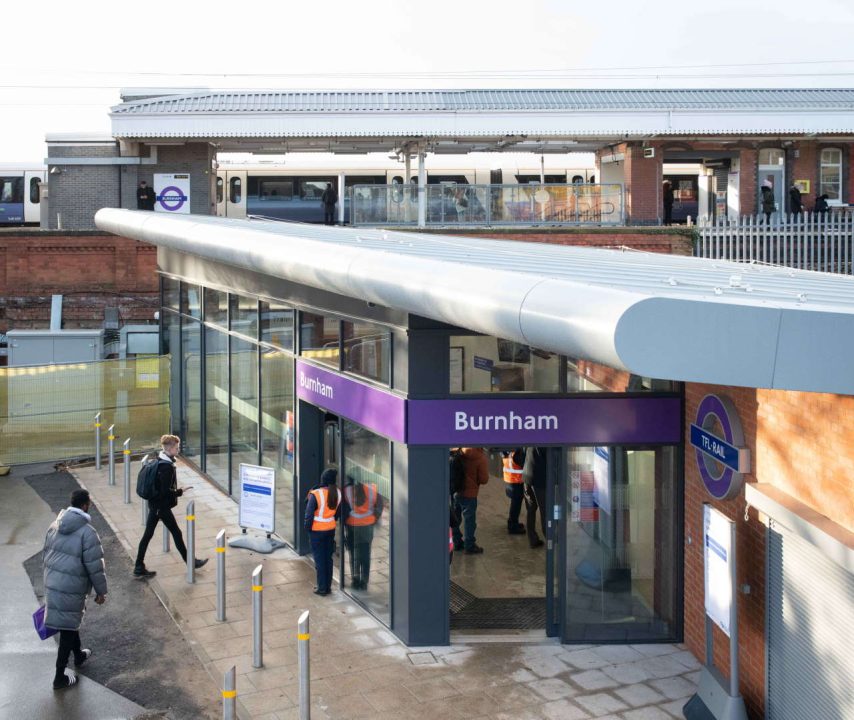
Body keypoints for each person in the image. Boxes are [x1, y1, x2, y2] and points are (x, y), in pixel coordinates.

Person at [43, 488, 107, 690]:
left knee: (69, 621)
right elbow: (95, 565)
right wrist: (101, 591)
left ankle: (78, 655)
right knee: (68, 630)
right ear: (85, 505)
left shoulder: (54, 525)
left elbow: (45, 554)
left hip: (53, 582)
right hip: (71, 586)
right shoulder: (88, 533)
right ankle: (59, 677)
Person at [134, 435, 208, 578]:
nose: (178, 450)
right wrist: (180, 491)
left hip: (155, 506)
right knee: (175, 533)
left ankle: (138, 566)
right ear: (169, 448)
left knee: (148, 535)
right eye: (176, 448)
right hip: (160, 507)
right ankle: (191, 562)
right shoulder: (166, 467)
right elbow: (164, 492)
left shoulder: (159, 460)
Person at [342, 474, 383, 590]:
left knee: (354, 554)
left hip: (352, 526)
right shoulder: (372, 489)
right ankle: (364, 581)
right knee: (366, 554)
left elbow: (343, 511)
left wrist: (344, 524)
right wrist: (373, 519)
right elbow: (379, 506)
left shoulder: (346, 490)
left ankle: (355, 579)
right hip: (367, 526)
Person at [305, 468, 341, 595]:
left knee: (320, 560)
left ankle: (322, 588)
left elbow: (309, 515)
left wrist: (307, 528)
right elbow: (337, 514)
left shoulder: (316, 494)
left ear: (323, 480)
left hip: (317, 532)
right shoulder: (338, 493)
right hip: (330, 530)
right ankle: (328, 587)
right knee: (328, 559)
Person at [451, 447, 489, 554]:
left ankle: (456, 542)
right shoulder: (480, 457)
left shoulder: (459, 451)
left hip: (456, 490)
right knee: (469, 520)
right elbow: (484, 479)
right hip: (470, 493)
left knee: (455, 518)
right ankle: (469, 545)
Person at [523, 447, 548, 549]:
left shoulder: (530, 436)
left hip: (527, 477)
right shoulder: (546, 442)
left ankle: (533, 539)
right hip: (539, 479)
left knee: (531, 509)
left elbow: (519, 454)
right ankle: (549, 538)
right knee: (545, 510)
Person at [501, 448, 526, 535]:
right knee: (516, 505)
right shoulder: (517, 453)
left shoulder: (505, 451)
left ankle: (512, 523)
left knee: (514, 504)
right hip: (516, 482)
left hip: (510, 480)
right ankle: (513, 527)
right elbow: (524, 464)